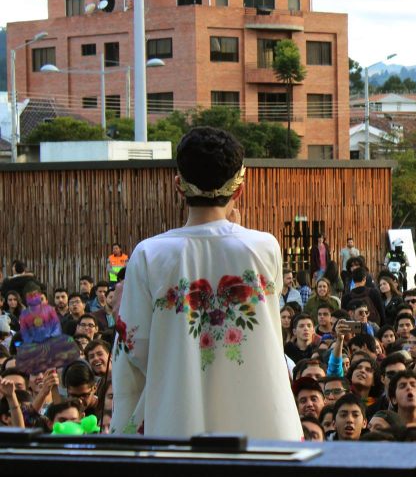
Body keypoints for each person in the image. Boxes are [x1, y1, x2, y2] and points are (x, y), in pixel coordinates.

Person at [111, 127, 302, 440]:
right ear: (239, 189)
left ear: (179, 186)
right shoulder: (264, 247)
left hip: (178, 420)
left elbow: (138, 349)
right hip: (263, 425)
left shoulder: (149, 254)